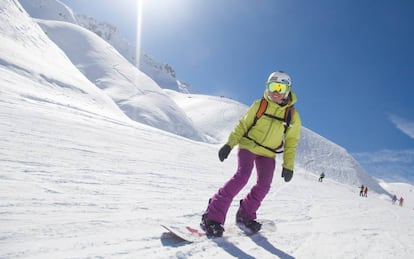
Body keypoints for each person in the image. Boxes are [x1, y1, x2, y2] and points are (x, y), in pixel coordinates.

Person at [200, 71, 302, 237]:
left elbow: (291, 141)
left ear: (287, 90)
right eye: (272, 86)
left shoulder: (292, 116)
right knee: (242, 177)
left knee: (264, 185)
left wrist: (288, 166)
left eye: (280, 87)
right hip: (248, 145)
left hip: (268, 153)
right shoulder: (259, 105)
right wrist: (229, 144)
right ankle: (211, 217)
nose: (275, 91)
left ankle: (245, 215)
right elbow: (243, 125)